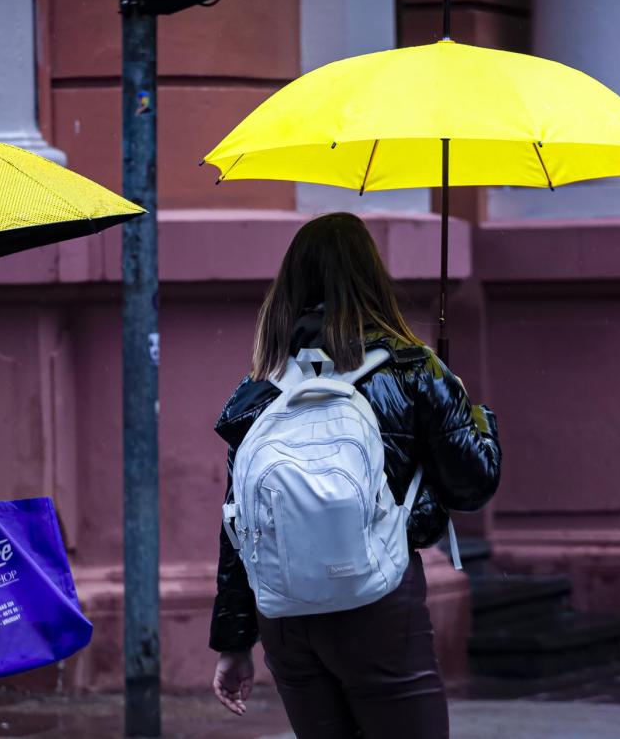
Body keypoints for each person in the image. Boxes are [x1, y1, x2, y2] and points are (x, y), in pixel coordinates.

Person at [210, 212, 502, 739]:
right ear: (371, 279)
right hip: (379, 604)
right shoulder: (415, 371)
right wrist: (472, 412)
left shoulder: (258, 390)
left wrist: (235, 642)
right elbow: (472, 484)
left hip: (285, 618)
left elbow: (237, 527)